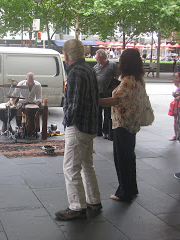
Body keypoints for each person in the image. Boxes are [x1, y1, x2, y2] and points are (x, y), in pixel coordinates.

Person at [55, 39, 102, 221]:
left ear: (66, 56)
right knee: (86, 165)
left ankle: (77, 207)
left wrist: (67, 124)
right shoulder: (90, 70)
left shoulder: (75, 73)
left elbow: (72, 105)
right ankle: (94, 201)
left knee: (70, 167)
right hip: (90, 126)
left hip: (78, 126)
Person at [99, 48, 145, 201]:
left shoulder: (127, 81)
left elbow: (115, 100)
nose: (119, 62)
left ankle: (124, 192)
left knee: (122, 159)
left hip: (122, 124)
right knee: (130, 156)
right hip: (133, 122)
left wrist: (94, 101)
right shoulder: (138, 79)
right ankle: (132, 188)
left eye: (121, 59)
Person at [94, 49, 118, 140]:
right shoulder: (96, 67)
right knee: (98, 113)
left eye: (98, 58)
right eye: (96, 58)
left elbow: (116, 77)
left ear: (103, 57)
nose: (97, 60)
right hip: (98, 92)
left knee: (108, 114)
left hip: (107, 92)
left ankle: (106, 131)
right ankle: (98, 131)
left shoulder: (112, 65)